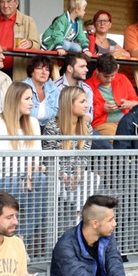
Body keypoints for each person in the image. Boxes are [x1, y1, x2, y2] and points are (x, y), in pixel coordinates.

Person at [0, 81, 49, 245]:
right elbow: (1, 162)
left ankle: (22, 240)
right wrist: (26, 174)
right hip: (3, 179)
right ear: (15, 100)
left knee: (42, 180)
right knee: (16, 184)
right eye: (27, 99)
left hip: (29, 177)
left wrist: (29, 174)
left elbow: (37, 157)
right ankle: (13, 240)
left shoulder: (33, 122)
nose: (32, 103)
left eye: (32, 98)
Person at [42, 86, 100, 217]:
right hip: (57, 177)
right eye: (82, 102)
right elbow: (49, 159)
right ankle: (75, 217)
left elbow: (84, 157)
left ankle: (79, 217)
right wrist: (64, 176)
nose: (86, 105)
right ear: (70, 103)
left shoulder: (87, 127)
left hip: (76, 177)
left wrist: (77, 174)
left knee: (92, 177)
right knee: (53, 183)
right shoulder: (52, 126)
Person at [86, 54, 138, 136]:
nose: (109, 79)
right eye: (106, 76)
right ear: (97, 71)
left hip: (126, 121)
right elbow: (85, 113)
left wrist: (129, 104)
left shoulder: (122, 78)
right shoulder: (87, 86)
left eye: (112, 75)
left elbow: (137, 102)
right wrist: (102, 109)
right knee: (118, 139)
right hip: (103, 124)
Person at [0, 0, 40, 73]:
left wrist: (30, 43)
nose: (5, 5)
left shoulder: (28, 21)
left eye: (9, 1)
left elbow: (37, 46)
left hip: (18, 71)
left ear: (16, 3)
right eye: (2, 2)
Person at [52, 53, 95, 123]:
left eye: (86, 66)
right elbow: (54, 116)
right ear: (70, 69)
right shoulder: (55, 87)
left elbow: (89, 116)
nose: (86, 70)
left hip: (82, 126)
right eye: (82, 66)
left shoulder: (87, 89)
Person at [23, 56, 60, 127]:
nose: (44, 72)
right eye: (39, 68)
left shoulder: (54, 89)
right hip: (26, 126)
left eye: (47, 69)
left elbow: (58, 113)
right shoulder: (22, 87)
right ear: (31, 71)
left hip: (48, 127)